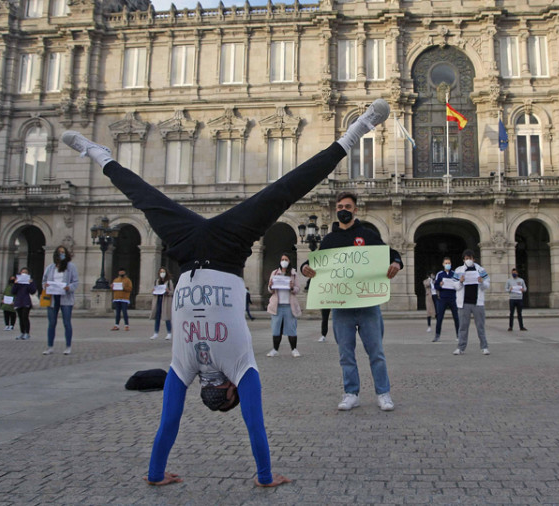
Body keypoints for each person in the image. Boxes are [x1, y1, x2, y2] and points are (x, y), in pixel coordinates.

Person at [60, 98, 390, 486]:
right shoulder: (183, 368)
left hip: (226, 248)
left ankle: (359, 128)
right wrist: (154, 474)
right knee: (144, 197)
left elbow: (255, 425)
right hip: (188, 251)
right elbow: (167, 420)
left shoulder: (238, 368)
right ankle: (97, 153)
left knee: (288, 188)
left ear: (232, 390)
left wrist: (266, 477)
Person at [301, 191, 402, 412]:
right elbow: (313, 263)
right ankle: (351, 393)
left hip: (367, 305)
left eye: (347, 207)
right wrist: (304, 268)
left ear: (356, 209)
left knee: (376, 352)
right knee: (345, 354)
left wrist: (396, 262)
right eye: (339, 207)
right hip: (341, 307)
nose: (343, 210)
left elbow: (390, 253)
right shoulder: (329, 240)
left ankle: (383, 393)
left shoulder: (367, 235)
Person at [42, 245, 79, 356]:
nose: (61, 254)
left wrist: (69, 287)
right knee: (51, 323)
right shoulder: (50, 267)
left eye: (63, 252)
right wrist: (45, 285)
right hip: (53, 298)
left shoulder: (71, 267)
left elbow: (75, 282)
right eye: (59, 252)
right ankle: (50, 346)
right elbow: (43, 281)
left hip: (65, 298)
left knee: (67, 323)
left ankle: (68, 346)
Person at [452, 250, 491, 356]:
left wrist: (481, 282)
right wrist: (460, 281)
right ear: (463, 259)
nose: (468, 260)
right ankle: (461, 348)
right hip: (464, 303)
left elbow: (487, 285)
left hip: (478, 302)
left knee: (480, 326)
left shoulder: (481, 270)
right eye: (466, 258)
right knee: (463, 327)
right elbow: (454, 286)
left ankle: (484, 347)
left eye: (470, 258)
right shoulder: (459, 270)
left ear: (474, 259)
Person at [266, 253, 301, 358]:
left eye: (286, 259)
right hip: (277, 305)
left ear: (289, 261)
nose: (284, 261)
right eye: (282, 259)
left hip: (289, 305)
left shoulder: (293, 273)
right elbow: (270, 290)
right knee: (276, 328)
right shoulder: (275, 273)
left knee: (291, 328)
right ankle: (275, 349)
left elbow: (298, 289)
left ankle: (294, 349)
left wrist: (292, 287)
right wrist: (271, 286)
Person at [433, 257, 459, 343]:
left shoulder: (454, 273)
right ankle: (437, 335)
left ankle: (459, 335)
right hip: (443, 298)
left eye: (449, 263)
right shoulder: (440, 274)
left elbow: (458, 285)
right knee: (439, 317)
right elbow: (435, 286)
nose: (448, 265)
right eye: (446, 263)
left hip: (452, 298)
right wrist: (440, 285)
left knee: (456, 317)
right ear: (443, 264)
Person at [11, 267, 38, 340]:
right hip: (19, 301)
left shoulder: (29, 282)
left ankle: (27, 333)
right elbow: (13, 291)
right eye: (22, 272)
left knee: (25, 317)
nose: (24, 274)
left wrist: (30, 283)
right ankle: (22, 332)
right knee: (20, 318)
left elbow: (33, 291)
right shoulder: (18, 283)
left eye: (25, 273)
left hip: (26, 301)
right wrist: (15, 284)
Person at [149, 267, 173, 340]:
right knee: (157, 317)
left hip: (165, 300)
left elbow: (172, 292)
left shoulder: (169, 281)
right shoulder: (157, 281)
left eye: (163, 272)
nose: (162, 273)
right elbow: (153, 291)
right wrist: (153, 291)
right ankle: (156, 333)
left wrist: (168, 291)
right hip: (158, 300)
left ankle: (169, 333)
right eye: (161, 272)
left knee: (167, 317)